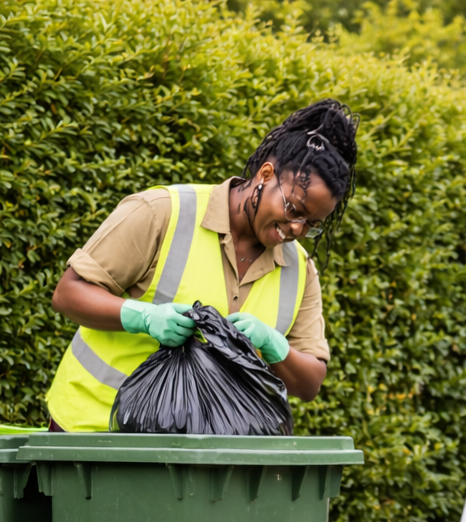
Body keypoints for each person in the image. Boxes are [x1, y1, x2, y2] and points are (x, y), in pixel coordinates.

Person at [44, 99, 358, 431]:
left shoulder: (300, 272)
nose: (297, 229)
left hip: (202, 461)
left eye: (312, 224)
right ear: (266, 174)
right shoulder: (162, 212)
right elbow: (68, 294)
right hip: (92, 435)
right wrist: (143, 317)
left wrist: (274, 345)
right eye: (294, 209)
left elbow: (308, 383)